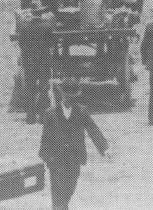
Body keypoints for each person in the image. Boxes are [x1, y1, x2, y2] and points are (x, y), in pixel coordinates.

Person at [39, 79, 109, 210]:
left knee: (70, 188)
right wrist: (44, 157)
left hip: (74, 159)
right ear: (62, 95)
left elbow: (92, 129)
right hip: (56, 159)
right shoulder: (50, 113)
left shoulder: (81, 111)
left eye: (74, 97)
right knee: (58, 193)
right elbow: (45, 137)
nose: (70, 100)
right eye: (68, 97)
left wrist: (104, 148)